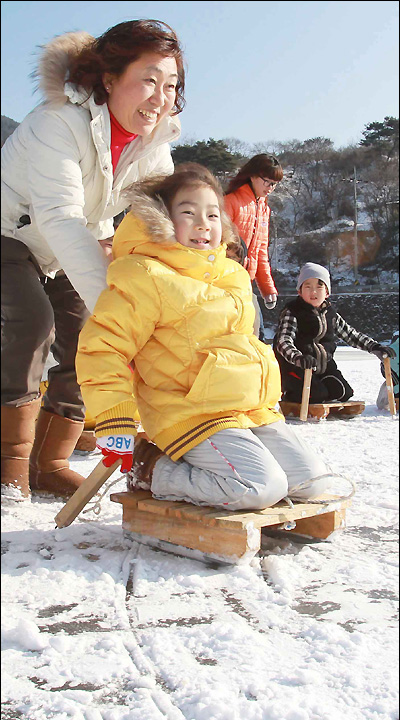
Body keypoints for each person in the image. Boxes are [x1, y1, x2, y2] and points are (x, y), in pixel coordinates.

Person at [76, 164, 329, 513]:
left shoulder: (231, 275)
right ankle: (152, 469)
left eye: (212, 215)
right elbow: (104, 347)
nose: (202, 225)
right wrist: (115, 416)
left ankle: (232, 465)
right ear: (161, 218)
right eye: (188, 213)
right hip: (188, 411)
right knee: (260, 487)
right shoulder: (144, 274)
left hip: (247, 409)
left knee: (311, 480)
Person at [1, 19, 185, 498]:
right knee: (32, 323)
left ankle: (50, 462)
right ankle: (9, 465)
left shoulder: (155, 144)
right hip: (9, 233)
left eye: (171, 85)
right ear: (108, 78)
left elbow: (159, 225)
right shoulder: (56, 121)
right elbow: (59, 217)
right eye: (148, 79)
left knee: (92, 338)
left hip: (76, 241)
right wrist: (116, 309)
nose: (160, 97)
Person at [273, 262, 395, 404]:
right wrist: (298, 357)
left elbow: (350, 334)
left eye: (319, 287)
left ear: (327, 292)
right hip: (297, 368)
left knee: (343, 392)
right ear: (299, 291)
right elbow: (283, 341)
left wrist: (374, 347)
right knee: (317, 395)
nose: (313, 292)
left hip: (324, 368)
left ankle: (319, 389)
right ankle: (291, 396)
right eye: (308, 287)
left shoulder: (330, 314)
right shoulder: (293, 311)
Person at [224, 154, 283, 342]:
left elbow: (261, 251)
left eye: (274, 184)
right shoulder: (231, 202)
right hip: (224, 282)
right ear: (252, 176)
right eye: (267, 182)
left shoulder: (264, 209)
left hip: (245, 283)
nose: (270, 188)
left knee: (256, 336)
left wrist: (267, 288)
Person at [376, 336, 399, 410]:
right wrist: (397, 394)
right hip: (393, 376)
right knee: (382, 405)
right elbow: (392, 374)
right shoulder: (394, 351)